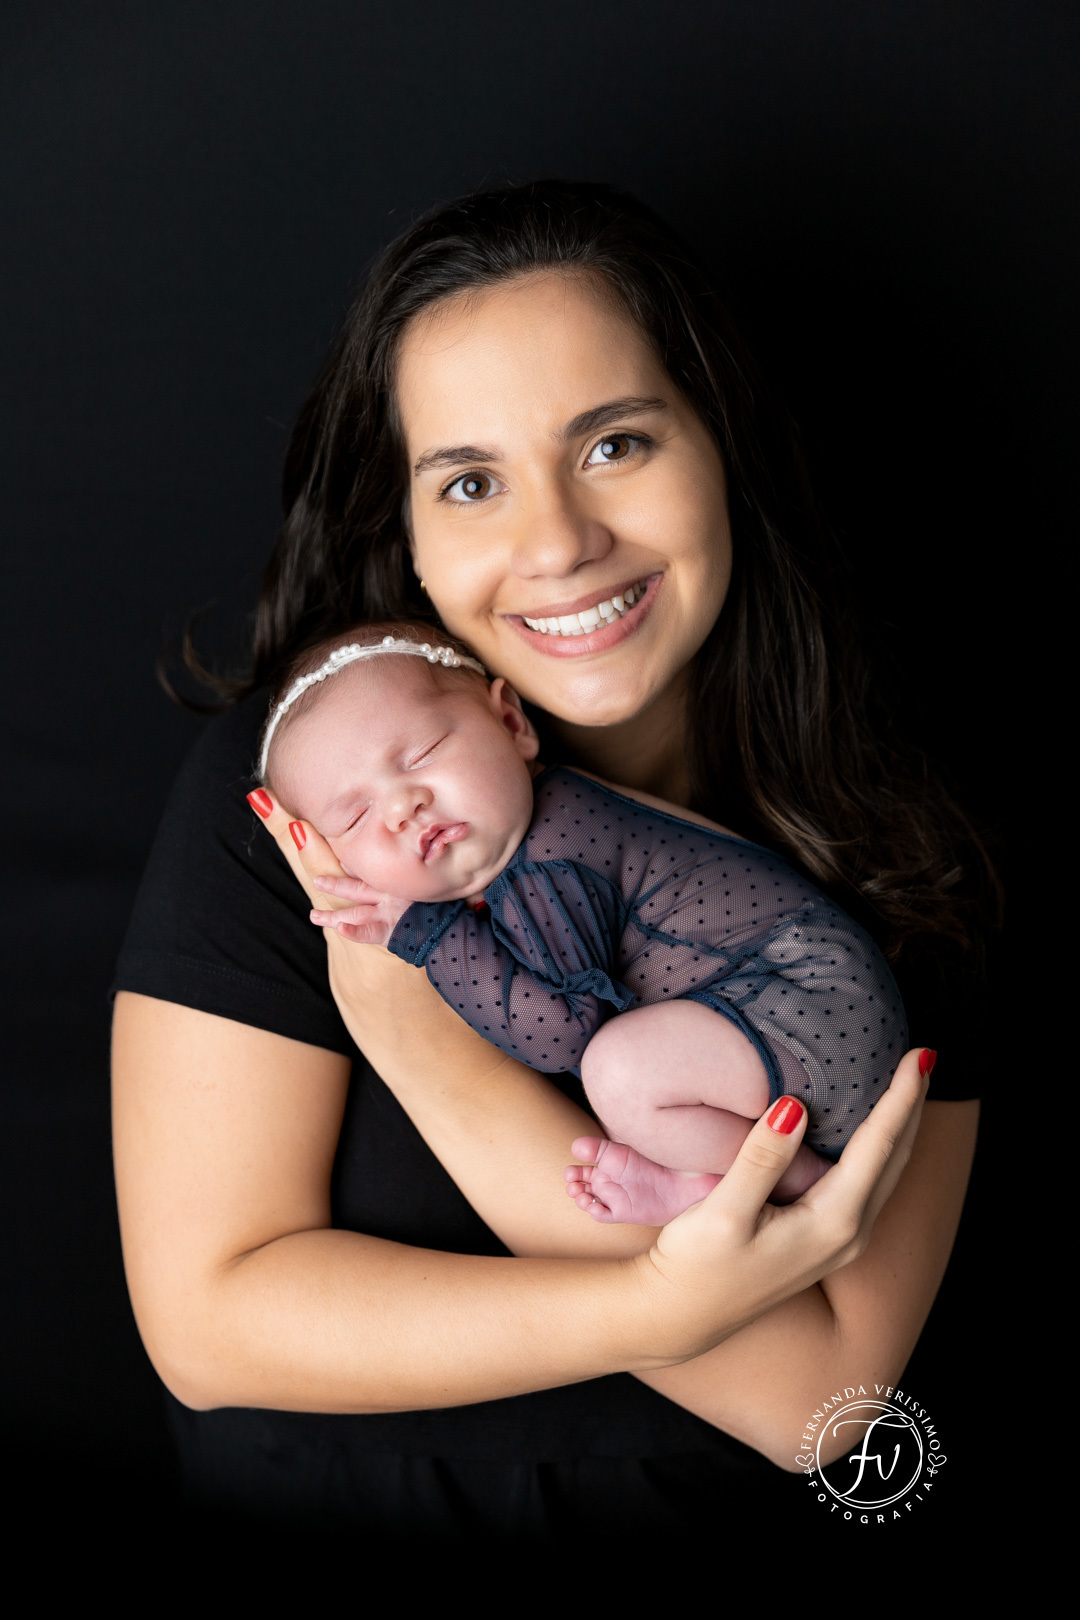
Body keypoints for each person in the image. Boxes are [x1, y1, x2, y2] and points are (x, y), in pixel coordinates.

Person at [111, 180, 987, 1542]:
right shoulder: (314, 807)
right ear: (405, 532)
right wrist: (653, 1308)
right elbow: (208, 1328)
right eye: (471, 482)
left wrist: (410, 1023)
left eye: (616, 444)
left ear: (723, 448)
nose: (560, 544)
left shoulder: (898, 828)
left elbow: (823, 1405)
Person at [253, 624, 908, 1217]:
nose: (402, 806)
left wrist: (429, 935)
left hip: (814, 1011)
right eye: (356, 816)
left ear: (511, 723)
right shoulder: (547, 819)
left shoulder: (549, 861)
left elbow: (560, 1036)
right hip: (811, 1011)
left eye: (422, 754)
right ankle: (707, 1183)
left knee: (617, 1070)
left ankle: (805, 1188)